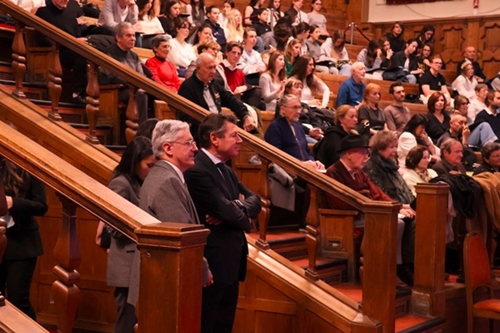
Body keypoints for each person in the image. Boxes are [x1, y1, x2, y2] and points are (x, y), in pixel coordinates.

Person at [184, 113, 262, 333]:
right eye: (234, 135)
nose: (240, 140)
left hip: (231, 262)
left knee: (225, 324)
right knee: (208, 324)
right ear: (214, 139)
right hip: (213, 264)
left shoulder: (226, 168)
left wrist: (234, 205)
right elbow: (233, 215)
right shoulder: (197, 169)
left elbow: (256, 200)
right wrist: (235, 210)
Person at [325, 134, 415, 286]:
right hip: (350, 218)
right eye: (361, 152)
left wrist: (398, 207)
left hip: (368, 212)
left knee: (410, 220)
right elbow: (342, 202)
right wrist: (366, 196)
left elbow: (378, 194)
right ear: (349, 154)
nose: (366, 156)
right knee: (396, 223)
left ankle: (401, 266)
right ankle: (386, 269)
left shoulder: (359, 172)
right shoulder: (334, 172)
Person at [138, 119, 212, 287]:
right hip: (165, 284)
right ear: (168, 148)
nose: (195, 148)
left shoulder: (166, 176)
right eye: (189, 143)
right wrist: (203, 268)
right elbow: (184, 237)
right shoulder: (167, 181)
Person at [95, 136, 155, 333]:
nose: (152, 170)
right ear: (134, 162)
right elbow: (115, 227)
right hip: (126, 264)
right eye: (149, 165)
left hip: (139, 262)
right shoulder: (121, 183)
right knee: (127, 321)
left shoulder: (140, 182)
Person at [265, 94, 324, 228]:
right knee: (312, 187)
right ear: (283, 109)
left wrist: (314, 162)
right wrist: (301, 164)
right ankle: (306, 223)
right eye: (295, 108)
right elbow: (276, 155)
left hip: (304, 169)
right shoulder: (275, 127)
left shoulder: (298, 127)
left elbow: (307, 151)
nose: (299, 111)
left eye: (300, 107)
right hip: (287, 171)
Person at [36, 0, 113, 102]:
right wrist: (73, 41)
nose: (66, 0)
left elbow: (79, 31)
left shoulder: (69, 13)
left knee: (101, 42)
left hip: (75, 47)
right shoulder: (43, 13)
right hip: (59, 51)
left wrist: (99, 29)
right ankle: (77, 93)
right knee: (85, 53)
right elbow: (43, 40)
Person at [0, 158, 48, 320]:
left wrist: (13, 202)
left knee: (18, 302)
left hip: (21, 245)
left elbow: (41, 205)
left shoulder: (27, 166)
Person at [178, 53, 255, 139]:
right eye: (210, 68)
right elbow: (185, 116)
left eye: (215, 67)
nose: (214, 72)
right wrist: (211, 124)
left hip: (218, 129)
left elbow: (230, 99)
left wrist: (246, 115)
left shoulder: (213, 84)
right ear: (198, 68)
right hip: (202, 134)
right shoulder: (188, 87)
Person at [99, 22, 149, 125]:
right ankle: (143, 131)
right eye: (129, 35)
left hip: (132, 88)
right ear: (118, 37)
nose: (133, 39)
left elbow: (141, 75)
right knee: (140, 95)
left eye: (134, 35)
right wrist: (134, 85)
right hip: (117, 90)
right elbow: (113, 76)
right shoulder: (109, 52)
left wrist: (142, 85)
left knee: (154, 96)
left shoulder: (134, 55)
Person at [218, 41, 264, 110]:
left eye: (239, 54)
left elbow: (244, 87)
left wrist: (244, 87)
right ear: (227, 52)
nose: (236, 56)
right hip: (226, 99)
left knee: (259, 97)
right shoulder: (220, 68)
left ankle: (249, 114)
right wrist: (233, 93)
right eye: (233, 52)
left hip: (238, 99)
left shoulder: (239, 72)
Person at [281, 78, 325, 143]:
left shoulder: (304, 105)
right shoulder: (282, 104)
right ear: (288, 90)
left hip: (311, 131)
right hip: (297, 132)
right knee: (317, 144)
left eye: (301, 88)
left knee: (328, 142)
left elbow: (314, 119)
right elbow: (290, 122)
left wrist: (317, 129)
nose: (300, 90)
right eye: (296, 87)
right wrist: (308, 131)